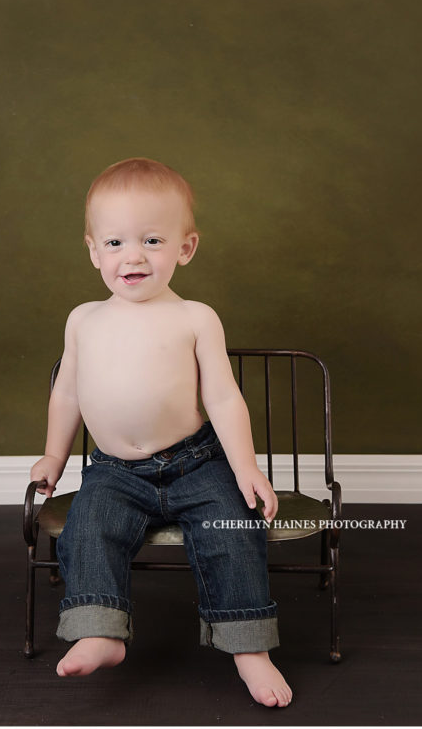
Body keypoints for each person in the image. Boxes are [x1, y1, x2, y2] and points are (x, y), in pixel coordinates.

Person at [29, 157, 292, 707]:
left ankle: (249, 648)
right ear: (94, 249)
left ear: (185, 248)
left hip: (196, 463)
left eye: (152, 240)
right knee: (88, 529)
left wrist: (247, 469)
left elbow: (223, 397)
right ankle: (100, 632)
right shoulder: (83, 320)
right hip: (114, 472)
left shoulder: (196, 317)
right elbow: (68, 393)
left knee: (231, 532)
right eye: (117, 242)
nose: (134, 256)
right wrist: (54, 455)